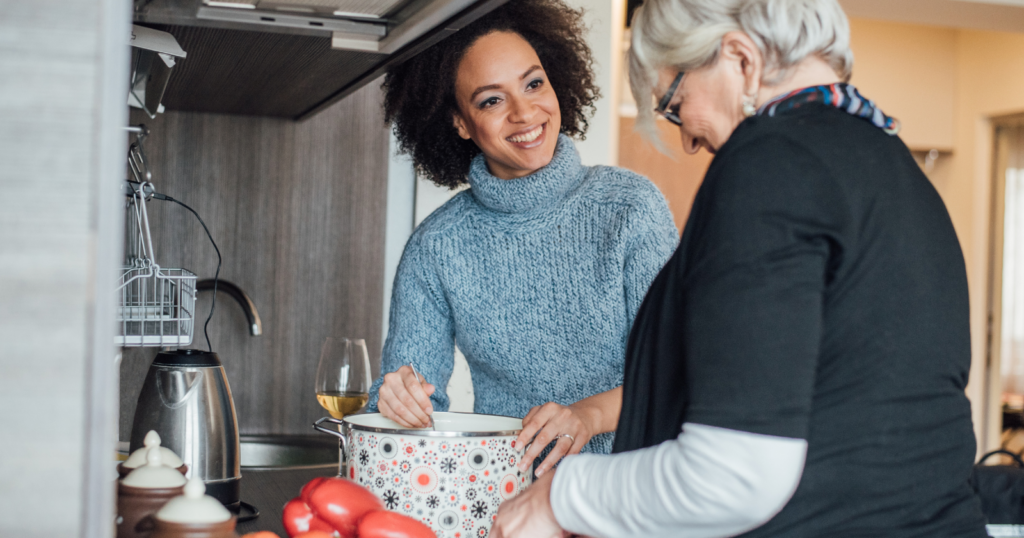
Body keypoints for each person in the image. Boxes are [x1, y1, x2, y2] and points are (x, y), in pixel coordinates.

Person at [491, 0, 989, 536]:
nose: (687, 140)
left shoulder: (769, 162)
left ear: (741, 60)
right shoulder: (896, 170)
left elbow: (734, 474)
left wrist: (559, 499)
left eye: (675, 104)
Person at [365, 0, 678, 475]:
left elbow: (677, 369)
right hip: (509, 500)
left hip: (632, 494)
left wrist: (588, 415)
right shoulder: (438, 246)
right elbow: (407, 414)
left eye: (533, 83)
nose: (524, 112)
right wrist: (395, 401)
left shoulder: (631, 208)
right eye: (491, 100)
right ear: (459, 122)